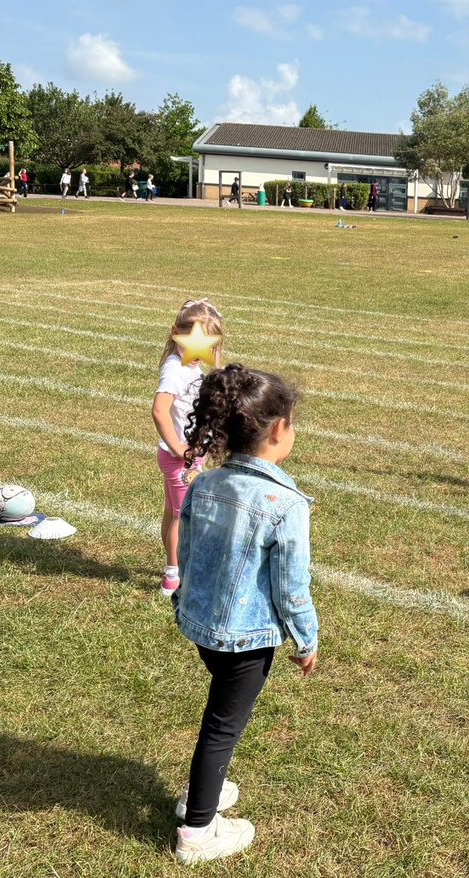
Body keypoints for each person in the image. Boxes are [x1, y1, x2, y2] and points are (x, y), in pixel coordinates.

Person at [171, 364, 317, 865]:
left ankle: (205, 789)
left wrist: (182, 601)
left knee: (220, 718)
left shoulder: (205, 484)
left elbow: (186, 552)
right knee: (221, 727)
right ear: (278, 430)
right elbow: (291, 587)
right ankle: (198, 829)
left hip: (202, 629)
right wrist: (306, 638)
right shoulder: (286, 503)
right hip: (246, 641)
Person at [152, 299, 225, 596]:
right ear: (175, 333)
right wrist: (179, 449)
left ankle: (173, 568)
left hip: (189, 455)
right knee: (184, 516)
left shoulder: (190, 364)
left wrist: (216, 361)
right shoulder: (175, 370)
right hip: (180, 459)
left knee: (173, 512)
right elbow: (159, 410)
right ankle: (174, 574)